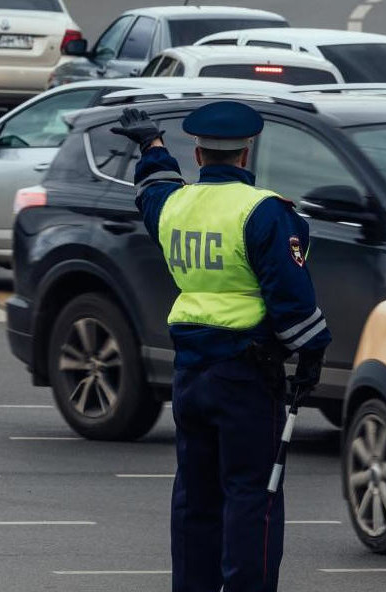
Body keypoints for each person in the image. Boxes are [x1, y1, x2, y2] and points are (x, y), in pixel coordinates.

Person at [111, 101, 331, 592]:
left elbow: (152, 192)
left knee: (196, 497)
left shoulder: (178, 207)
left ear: (199, 151)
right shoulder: (263, 211)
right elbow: (289, 296)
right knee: (253, 496)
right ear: (246, 152)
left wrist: (152, 146)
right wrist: (312, 353)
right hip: (247, 376)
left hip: (190, 373)